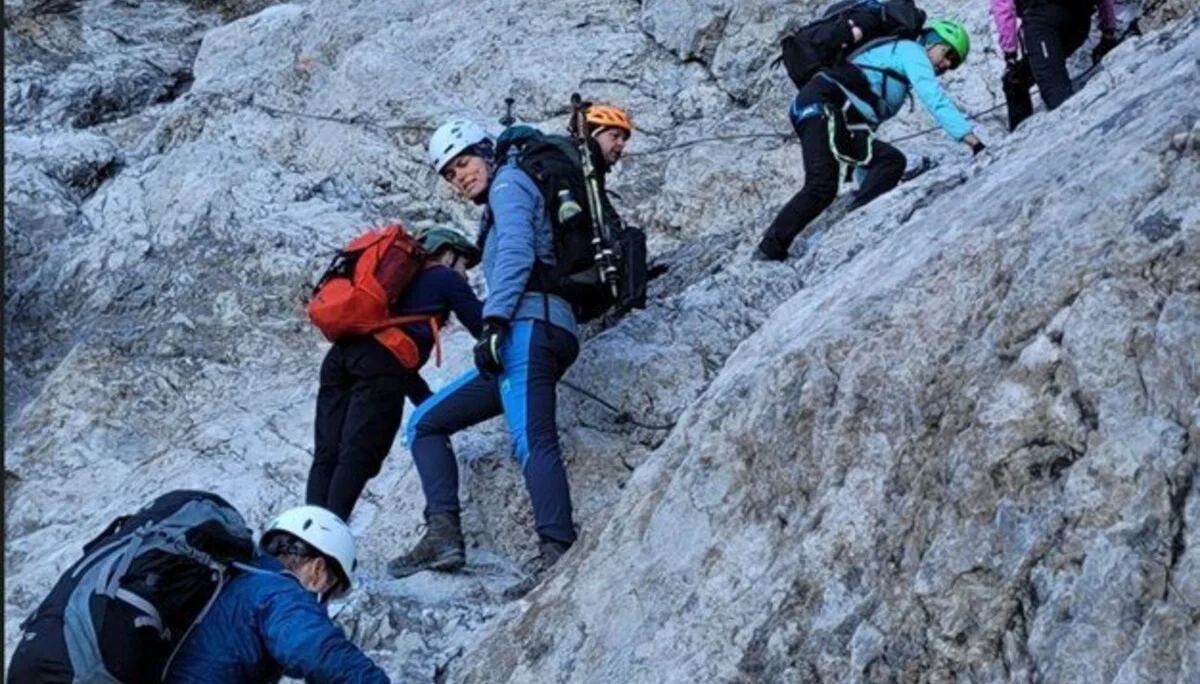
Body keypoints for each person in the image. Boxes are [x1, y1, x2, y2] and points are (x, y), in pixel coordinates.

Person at [387, 105, 634, 580]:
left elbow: (520, 248)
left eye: (463, 162)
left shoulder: (509, 182)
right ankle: (443, 537)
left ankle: (557, 553)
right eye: (450, 173)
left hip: (528, 328)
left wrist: (495, 323)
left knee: (532, 439)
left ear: (485, 151)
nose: (458, 177)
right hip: (540, 329)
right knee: (424, 424)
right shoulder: (511, 188)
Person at [755, 20, 985, 262]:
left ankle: (853, 222)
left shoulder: (898, 61)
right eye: (948, 54)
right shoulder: (911, 52)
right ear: (934, 41)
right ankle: (770, 249)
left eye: (954, 64)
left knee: (887, 162)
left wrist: (868, 188)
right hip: (822, 105)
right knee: (823, 185)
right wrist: (973, 142)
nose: (947, 64)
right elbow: (934, 98)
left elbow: (864, 145)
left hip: (824, 109)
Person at [306, 228, 484, 521]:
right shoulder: (445, 278)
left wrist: (427, 402)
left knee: (327, 454)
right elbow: (481, 326)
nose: (466, 275)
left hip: (339, 359)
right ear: (449, 253)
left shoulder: (394, 283)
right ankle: (326, 545)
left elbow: (394, 354)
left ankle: (303, 540)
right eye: (464, 264)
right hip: (378, 368)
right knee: (358, 455)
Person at [166, 505, 392, 684]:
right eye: (330, 592)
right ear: (318, 569)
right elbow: (318, 652)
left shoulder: (238, 578)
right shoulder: (280, 593)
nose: (324, 605)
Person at [994, 0, 1121, 131]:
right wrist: (1108, 29)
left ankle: (1078, 136)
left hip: (1042, 19)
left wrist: (1010, 54)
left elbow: (1003, 7)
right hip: (1079, 21)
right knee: (1015, 81)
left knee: (1055, 92)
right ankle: (1022, 141)